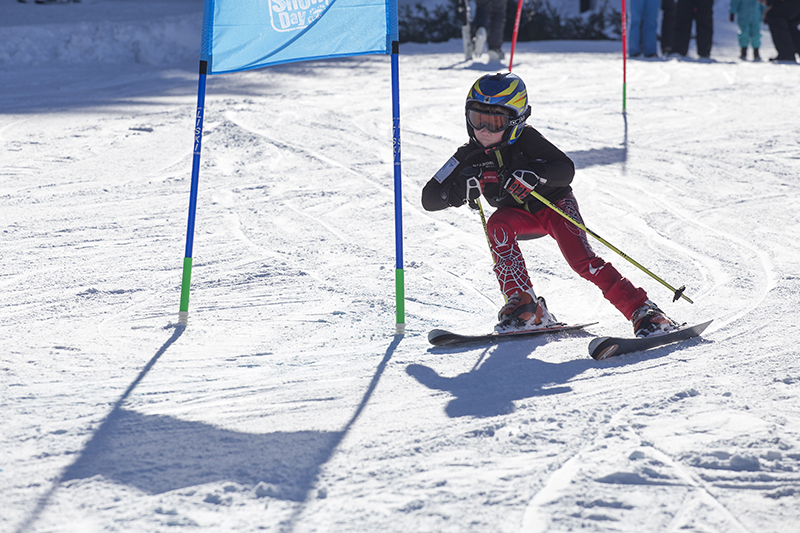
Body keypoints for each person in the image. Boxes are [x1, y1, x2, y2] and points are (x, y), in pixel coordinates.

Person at [421, 73, 679, 337]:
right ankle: (525, 305)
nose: (485, 130)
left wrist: (536, 174)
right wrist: (455, 193)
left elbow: (565, 169)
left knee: (582, 261)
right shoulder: (467, 156)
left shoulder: (528, 141)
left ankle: (643, 311)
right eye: (478, 120)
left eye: (496, 123)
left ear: (516, 121)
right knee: (497, 225)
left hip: (554, 207)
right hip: (517, 216)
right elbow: (429, 197)